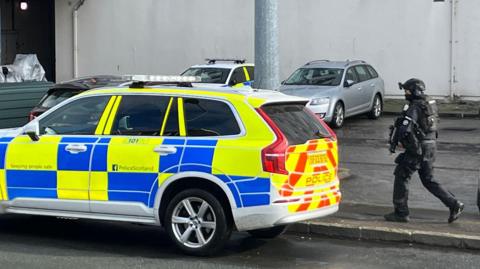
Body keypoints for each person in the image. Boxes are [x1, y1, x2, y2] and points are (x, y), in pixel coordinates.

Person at [385, 78, 464, 223]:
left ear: (414, 91)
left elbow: (405, 129)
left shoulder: (415, 107)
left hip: (418, 148)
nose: (405, 94)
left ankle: (401, 213)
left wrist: (404, 145)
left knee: (401, 176)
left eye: (407, 91)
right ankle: (454, 204)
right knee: (428, 179)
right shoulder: (429, 103)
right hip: (431, 146)